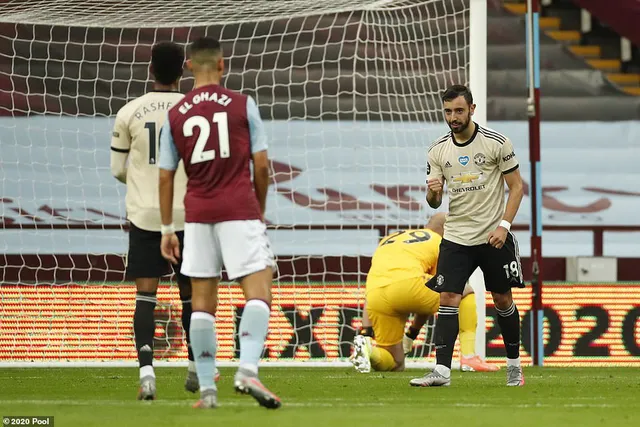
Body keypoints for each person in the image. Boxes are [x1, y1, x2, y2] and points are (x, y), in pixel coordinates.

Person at [158, 36, 280, 410]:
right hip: (239, 210)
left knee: (202, 303)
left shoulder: (177, 113)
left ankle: (208, 391)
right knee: (259, 292)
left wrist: (166, 229)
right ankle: (246, 369)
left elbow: (165, 175)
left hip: (197, 215)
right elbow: (261, 166)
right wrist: (258, 208)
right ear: (223, 65)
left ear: (189, 66)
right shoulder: (243, 105)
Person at [410, 85, 525, 388]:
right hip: (456, 236)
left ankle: (514, 366)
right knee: (448, 297)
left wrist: (504, 225)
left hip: (492, 236)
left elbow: (517, 188)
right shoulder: (437, 150)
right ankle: (442, 372)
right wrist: (432, 195)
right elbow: (434, 203)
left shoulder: (496, 143)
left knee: (502, 299)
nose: (453, 117)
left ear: (472, 109)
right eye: (448, 111)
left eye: (459, 110)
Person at [110, 41, 203, 400]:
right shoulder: (194, 110)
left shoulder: (130, 111)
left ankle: (147, 374)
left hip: (146, 215)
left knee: (146, 296)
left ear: (150, 69)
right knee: (191, 296)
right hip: (188, 215)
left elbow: (118, 169)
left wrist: (142, 179)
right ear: (184, 70)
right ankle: (195, 368)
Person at [350, 213, 498, 373]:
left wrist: (367, 331)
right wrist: (413, 332)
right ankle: (469, 357)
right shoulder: (441, 242)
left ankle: (368, 350)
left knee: (395, 362)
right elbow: (442, 289)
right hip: (408, 284)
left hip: (375, 294)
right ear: (447, 229)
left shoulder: (390, 238)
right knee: (465, 291)